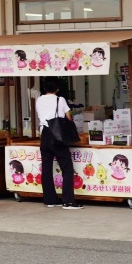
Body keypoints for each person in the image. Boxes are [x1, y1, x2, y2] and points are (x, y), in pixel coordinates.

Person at [36, 78, 81, 209]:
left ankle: (50, 200)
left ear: (44, 87)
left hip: (44, 134)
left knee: (46, 168)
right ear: (57, 88)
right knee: (66, 168)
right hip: (57, 135)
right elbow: (68, 117)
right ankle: (68, 201)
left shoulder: (39, 100)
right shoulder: (60, 100)